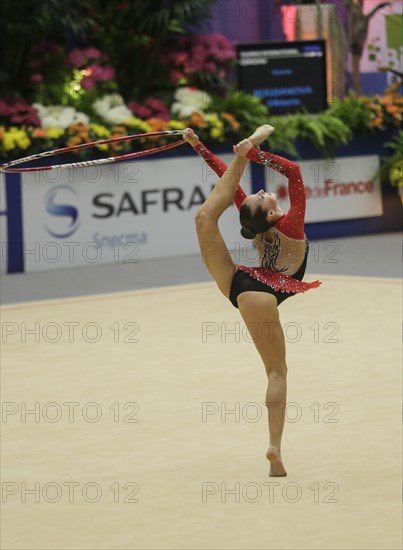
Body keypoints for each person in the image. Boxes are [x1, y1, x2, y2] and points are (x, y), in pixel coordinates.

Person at [183, 125, 320, 476]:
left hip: (238, 282)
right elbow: (294, 172)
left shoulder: (257, 217)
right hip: (265, 293)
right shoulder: (292, 223)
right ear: (272, 215)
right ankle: (274, 448)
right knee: (276, 371)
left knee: (204, 218)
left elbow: (226, 182)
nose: (261, 192)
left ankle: (275, 451)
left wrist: (200, 146)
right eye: (261, 196)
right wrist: (256, 152)